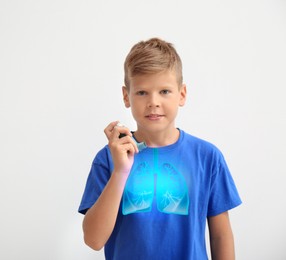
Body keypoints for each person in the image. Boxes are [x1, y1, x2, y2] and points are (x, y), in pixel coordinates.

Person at [78, 37, 242, 260]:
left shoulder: (207, 157)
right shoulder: (108, 158)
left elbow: (220, 236)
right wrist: (120, 172)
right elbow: (94, 240)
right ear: (126, 96)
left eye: (164, 91)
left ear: (181, 94)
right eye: (142, 92)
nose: (153, 102)